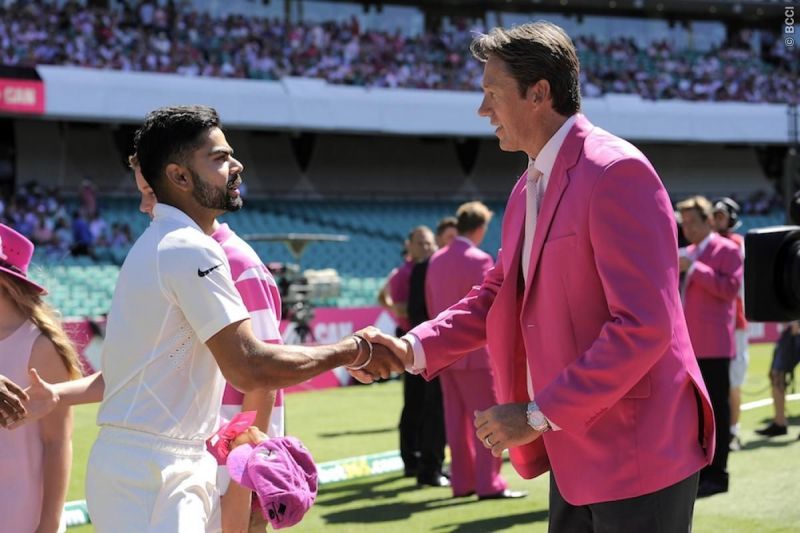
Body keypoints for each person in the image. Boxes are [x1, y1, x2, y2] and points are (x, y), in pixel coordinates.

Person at [356, 22, 715, 531]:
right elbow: (496, 294)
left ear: (539, 93)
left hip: (639, 450)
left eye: (491, 93)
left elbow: (644, 325)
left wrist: (534, 415)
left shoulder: (617, 172)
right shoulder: (529, 184)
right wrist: (409, 349)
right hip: (574, 447)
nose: (483, 111)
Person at [46, 105, 401, 532]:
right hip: (153, 469)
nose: (236, 166)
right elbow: (252, 367)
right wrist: (354, 350)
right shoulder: (187, 248)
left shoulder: (168, 244)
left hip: (159, 462)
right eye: (218, 158)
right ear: (179, 177)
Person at [425, 201, 524, 500]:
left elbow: (432, 308)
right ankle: (488, 482)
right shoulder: (480, 259)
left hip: (442, 353)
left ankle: (463, 482)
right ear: (480, 228)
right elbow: (491, 309)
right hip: (477, 354)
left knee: (455, 422)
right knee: (488, 420)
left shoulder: (436, 260)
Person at [0, 223, 82, 532]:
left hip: (19, 512)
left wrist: (48, 524)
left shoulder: (40, 346)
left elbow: (57, 442)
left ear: (5, 283)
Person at [677, 195, 743, 497]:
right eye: (684, 223)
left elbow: (730, 291)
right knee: (694, 414)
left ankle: (718, 474)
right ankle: (702, 471)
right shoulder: (686, 252)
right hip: (687, 345)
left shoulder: (727, 249)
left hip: (715, 345)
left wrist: (695, 268)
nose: (687, 228)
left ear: (708, 221)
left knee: (717, 411)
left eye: (692, 222)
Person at [712, 197, 748, 451]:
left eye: (721, 216)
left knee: (733, 381)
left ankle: (732, 430)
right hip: (716, 323)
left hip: (734, 322)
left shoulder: (734, 244)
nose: (716, 221)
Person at [755, 321, 800, 438]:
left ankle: (780, 423)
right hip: (790, 328)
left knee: (777, 374)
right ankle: (780, 423)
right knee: (776, 374)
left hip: (795, 327)